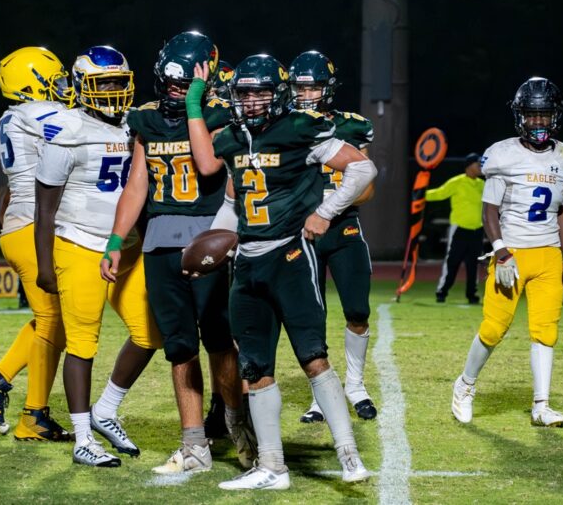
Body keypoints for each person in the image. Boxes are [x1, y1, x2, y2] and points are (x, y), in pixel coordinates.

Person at [186, 54, 375, 489]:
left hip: (290, 257)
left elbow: (363, 169)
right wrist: (212, 248)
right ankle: (272, 467)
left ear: (278, 94)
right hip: (247, 263)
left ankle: (349, 456)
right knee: (255, 367)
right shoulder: (233, 137)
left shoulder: (298, 128)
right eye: (245, 93)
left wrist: (326, 212)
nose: (251, 101)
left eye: (260, 92)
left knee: (313, 357)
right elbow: (233, 201)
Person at [103, 31, 253, 474]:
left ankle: (235, 425)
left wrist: (194, 104)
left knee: (220, 343)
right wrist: (116, 241)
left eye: (183, 84)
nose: (174, 92)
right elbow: (137, 185)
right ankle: (194, 446)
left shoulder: (222, 114)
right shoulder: (145, 120)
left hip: (209, 238)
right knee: (180, 347)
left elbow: (210, 168)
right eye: (169, 84)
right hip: (160, 243)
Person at [34, 46, 162, 467]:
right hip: (79, 243)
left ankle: (106, 410)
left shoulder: (135, 125)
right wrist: (44, 264)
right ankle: (83, 437)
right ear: (82, 86)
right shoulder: (65, 128)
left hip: (126, 248)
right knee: (83, 344)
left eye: (117, 82)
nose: (111, 91)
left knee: (150, 332)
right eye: (102, 83)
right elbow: (45, 208)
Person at [451, 77, 563, 428]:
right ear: (519, 116)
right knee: (494, 328)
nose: (538, 122)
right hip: (512, 252)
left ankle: (541, 405)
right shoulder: (503, 154)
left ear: (555, 116)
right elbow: (489, 210)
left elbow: (562, 210)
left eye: (544, 115)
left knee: (546, 331)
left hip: (549, 253)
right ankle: (464, 385)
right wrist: (500, 250)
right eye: (531, 115)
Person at [0, 46, 75, 441]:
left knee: (53, 324)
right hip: (33, 228)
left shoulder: (16, 116)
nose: (66, 87)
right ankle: (32, 415)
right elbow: (75, 129)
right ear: (34, 84)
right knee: (52, 325)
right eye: (57, 80)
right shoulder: (32, 113)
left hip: (24, 226)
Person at [288, 50, 378, 424]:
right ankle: (320, 396)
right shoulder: (285, 126)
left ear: (327, 89)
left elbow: (368, 187)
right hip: (301, 231)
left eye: (313, 87)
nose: (306, 94)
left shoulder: (354, 126)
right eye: (300, 87)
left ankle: (355, 385)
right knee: (313, 315)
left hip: (342, 226)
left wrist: (331, 206)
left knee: (357, 308)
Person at [425, 152, 485, 304]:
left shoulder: (482, 184)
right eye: (477, 164)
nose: (480, 167)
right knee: (452, 262)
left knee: (473, 265)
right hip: (459, 229)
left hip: (477, 231)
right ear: (469, 166)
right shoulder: (457, 182)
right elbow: (439, 194)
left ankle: (472, 294)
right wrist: (421, 193)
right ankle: (442, 291)